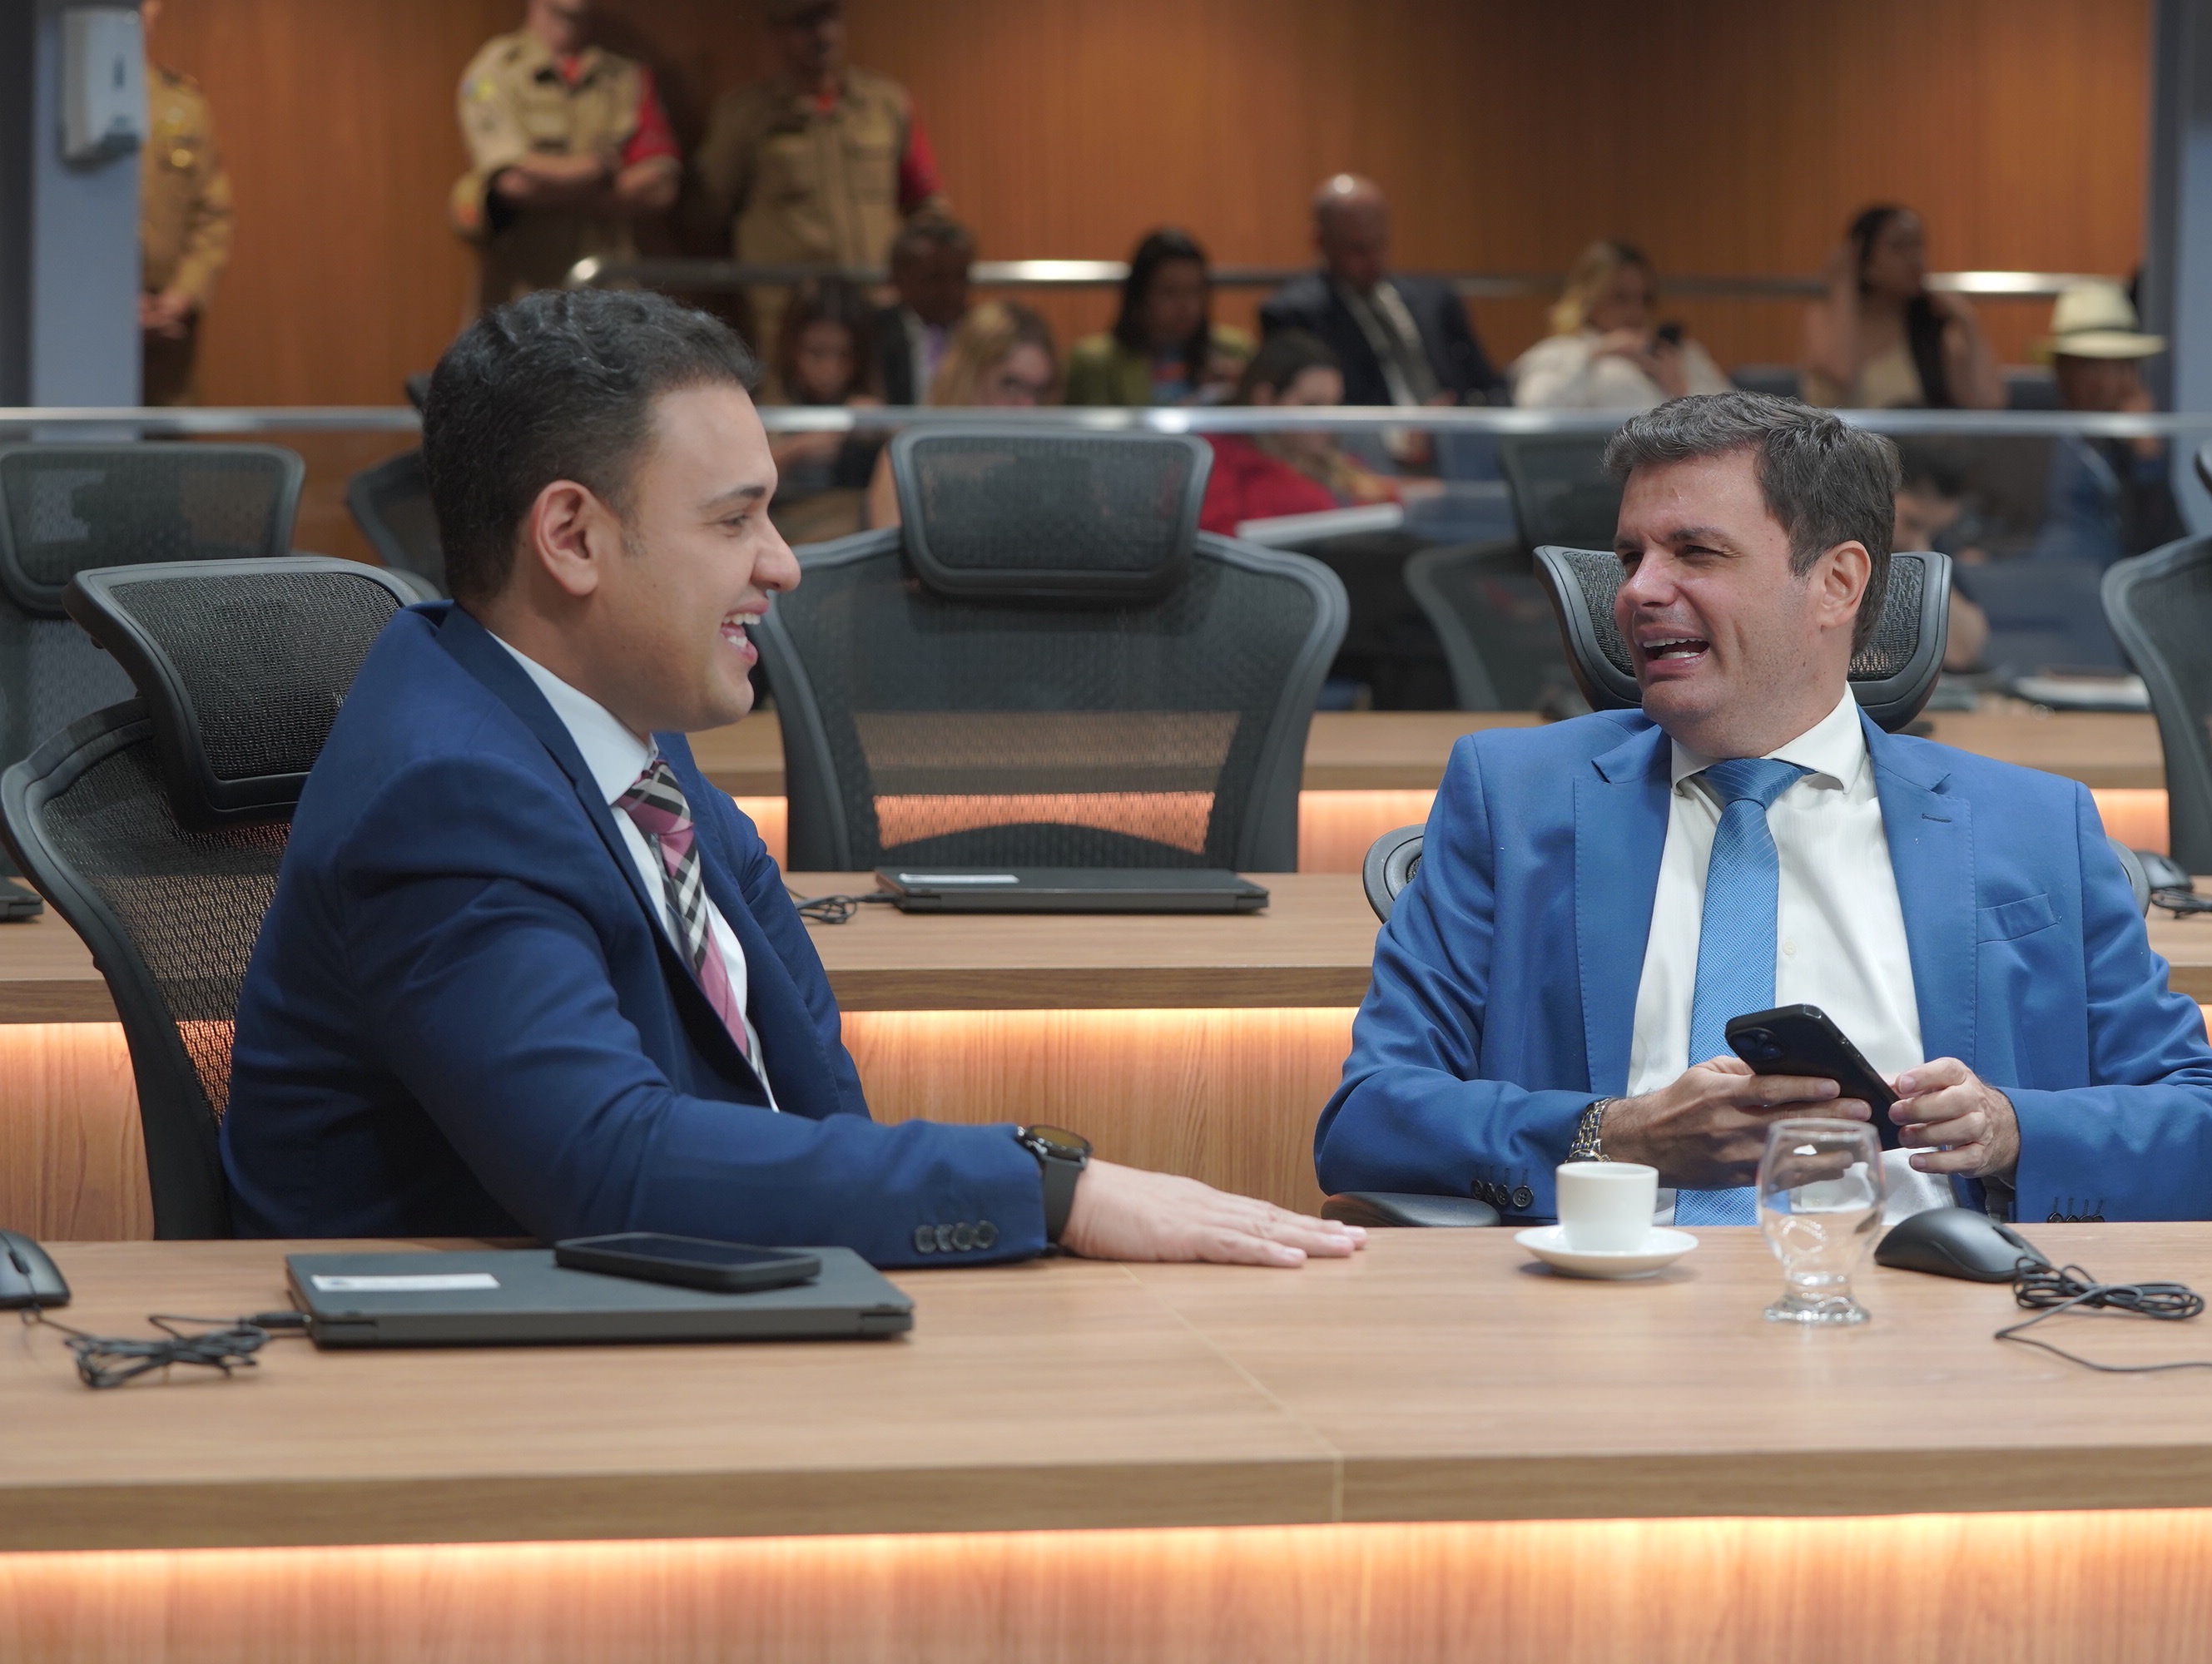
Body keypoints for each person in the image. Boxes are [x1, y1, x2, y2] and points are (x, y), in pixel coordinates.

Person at [225, 289, 1361, 1272]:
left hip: (688, 1318)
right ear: (570, 536)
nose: (784, 563)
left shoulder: (615, 731)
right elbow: (611, 1164)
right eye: (734, 520)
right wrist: (1049, 1188)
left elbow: (808, 1087)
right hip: (479, 1402)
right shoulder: (448, 792)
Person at [1317, 391, 2212, 1226]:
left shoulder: (2031, 826)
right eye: (1630, 555)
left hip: (1932, 1315)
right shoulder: (1511, 797)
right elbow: (1366, 1120)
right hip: (1606, 1313)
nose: (1638, 590)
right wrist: (1620, 1134)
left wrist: (2013, 1129)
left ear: (1836, 583)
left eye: (1694, 551)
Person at [693, 0, 946, 378]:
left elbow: (926, 206)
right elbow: (704, 215)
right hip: (790, 325)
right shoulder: (744, 116)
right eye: (804, 23)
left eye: (829, 18)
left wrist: (915, 277)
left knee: (883, 408)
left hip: (876, 313)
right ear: (775, 31)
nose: (822, 34)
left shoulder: (885, 105)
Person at [450, 0, 682, 311]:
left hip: (608, 299)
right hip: (520, 300)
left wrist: (548, 184)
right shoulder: (497, 70)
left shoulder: (626, 76)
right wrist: (601, 169)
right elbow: (513, 183)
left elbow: (660, 188)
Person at [1257, 175, 1505, 411]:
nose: (1374, 260)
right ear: (1321, 242)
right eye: (1358, 249)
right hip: (1371, 439)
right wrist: (1397, 433)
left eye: (1380, 244)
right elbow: (1314, 410)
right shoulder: (1295, 314)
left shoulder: (1436, 300)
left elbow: (1488, 386)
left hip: (1456, 433)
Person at [2027, 280, 2187, 566]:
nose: (2108, 381)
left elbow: (2169, 546)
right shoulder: (2035, 438)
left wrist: (2147, 455)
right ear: (2062, 369)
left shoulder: (2131, 450)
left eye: (2121, 365)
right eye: (2091, 365)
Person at [862, 299, 1057, 529]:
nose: (1027, 407)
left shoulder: (1049, 469)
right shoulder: (909, 459)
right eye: (1010, 385)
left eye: (1038, 391)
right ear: (967, 377)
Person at [1802, 205, 2003, 411]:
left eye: (1919, 245)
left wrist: (1968, 321)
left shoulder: (1933, 328)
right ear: (1864, 259)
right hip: (1832, 432)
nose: (1916, 259)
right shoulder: (1824, 314)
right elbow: (1841, 373)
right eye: (1898, 247)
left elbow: (1988, 403)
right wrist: (1844, 286)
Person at [1198, 331, 1399, 537]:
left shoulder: (1334, 462)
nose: (1327, 420)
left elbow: (1387, 500)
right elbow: (1216, 539)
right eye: (1312, 405)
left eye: (1334, 405)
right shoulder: (1219, 460)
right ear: (1265, 399)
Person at [136, 0, 233, 407]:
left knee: (167, 441)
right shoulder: (46, 99)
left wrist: (183, 294)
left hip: (169, 332)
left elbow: (213, 215)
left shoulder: (184, 104)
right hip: (75, 323)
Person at [1510, 240, 1731, 409]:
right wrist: (1595, 353)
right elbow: (1537, 409)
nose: (1636, 311)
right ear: (1589, 299)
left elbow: (1734, 422)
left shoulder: (1681, 353)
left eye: (1645, 298)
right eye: (1620, 297)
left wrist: (1682, 391)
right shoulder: (1561, 352)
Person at [1064, 228, 1252, 407]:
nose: (1186, 306)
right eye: (1169, 292)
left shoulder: (1235, 352)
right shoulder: (1095, 363)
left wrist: (1246, 388)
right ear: (1139, 295)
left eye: (1196, 291)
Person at [766, 279, 884, 540]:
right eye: (816, 353)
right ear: (790, 348)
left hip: (858, 531)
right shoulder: (765, 400)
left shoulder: (867, 400)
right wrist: (795, 450)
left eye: (844, 355)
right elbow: (734, 483)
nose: (830, 370)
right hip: (785, 531)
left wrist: (887, 429)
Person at [1892, 442, 1991, 672]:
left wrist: (1922, 556)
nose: (1915, 538)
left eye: (1932, 530)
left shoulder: (1928, 547)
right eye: (1912, 523)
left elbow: (1964, 652)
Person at [865, 213, 975, 406]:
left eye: (960, 277)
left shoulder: (983, 333)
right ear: (898, 278)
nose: (951, 290)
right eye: (935, 278)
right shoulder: (872, 332)